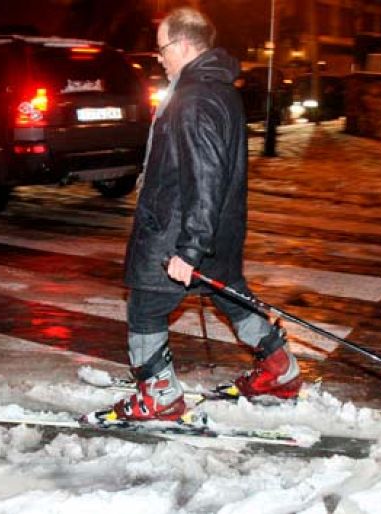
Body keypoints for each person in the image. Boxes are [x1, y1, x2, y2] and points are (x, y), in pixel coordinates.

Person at [113, 7, 301, 422]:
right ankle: (279, 369)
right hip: (219, 228)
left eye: (161, 48)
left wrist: (191, 248)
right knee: (231, 296)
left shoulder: (193, 98)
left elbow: (205, 173)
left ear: (181, 45)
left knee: (145, 307)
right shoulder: (219, 89)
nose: (158, 57)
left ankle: (158, 396)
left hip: (177, 230)